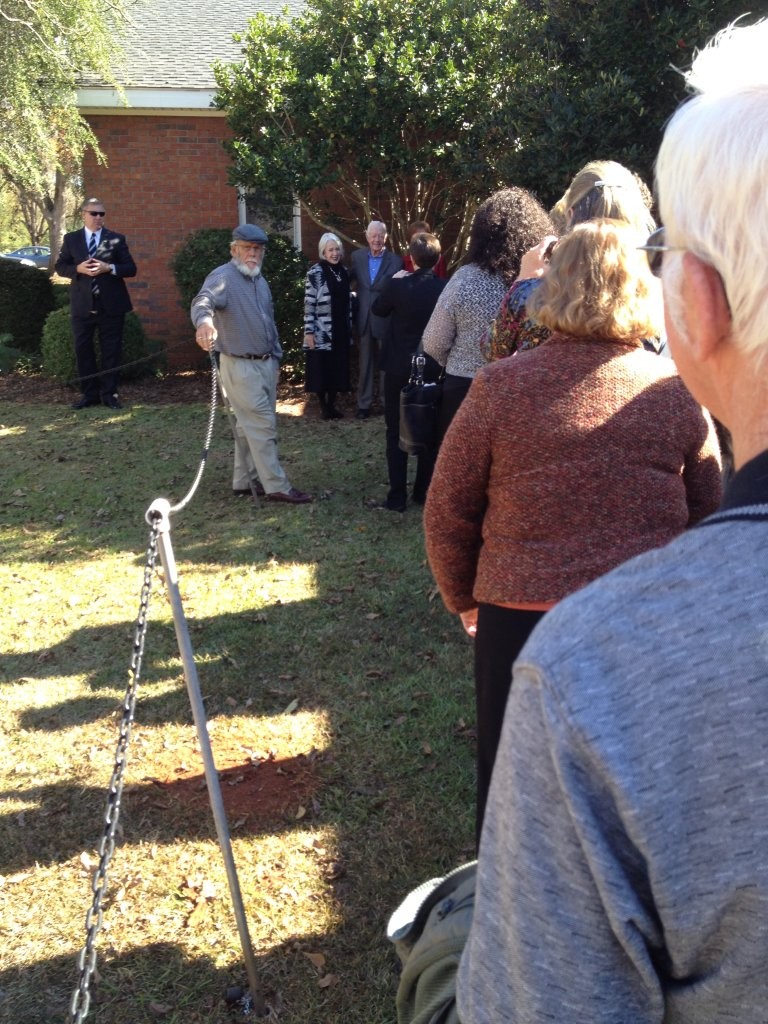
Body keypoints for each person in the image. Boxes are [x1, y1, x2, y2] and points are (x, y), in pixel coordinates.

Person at [457, 19, 768, 1022]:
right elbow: (707, 508)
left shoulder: (600, 677)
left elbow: (447, 496)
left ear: (698, 308)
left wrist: (465, 589)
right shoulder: (649, 397)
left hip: (548, 618)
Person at [424, 219, 723, 844]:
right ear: (640, 290)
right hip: (639, 621)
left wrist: (465, 598)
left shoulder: (500, 386)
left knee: (512, 786)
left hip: (518, 617)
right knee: (632, 793)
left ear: (551, 288)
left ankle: (509, 920)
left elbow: (447, 509)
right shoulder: (675, 392)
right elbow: (710, 515)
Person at [481, 160, 658, 362]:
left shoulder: (535, 293)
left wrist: (522, 281)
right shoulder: (651, 299)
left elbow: (493, 351)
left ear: (571, 214)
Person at [191, 224, 312, 504]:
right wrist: (205, 323)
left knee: (248, 428)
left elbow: (267, 322)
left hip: (266, 365)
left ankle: (244, 481)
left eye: (258, 249)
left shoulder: (259, 279)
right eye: (247, 248)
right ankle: (277, 485)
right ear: (234, 250)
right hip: (239, 366)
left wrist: (276, 357)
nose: (253, 254)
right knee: (263, 425)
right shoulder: (223, 277)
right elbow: (202, 301)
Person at [421, 188, 553, 441]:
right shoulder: (543, 283)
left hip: (463, 391)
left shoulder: (464, 279)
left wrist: (458, 360)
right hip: (523, 392)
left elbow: (433, 342)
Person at [371, 232, 446, 511]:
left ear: (411, 258)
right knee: (428, 427)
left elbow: (378, 310)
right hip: (432, 365)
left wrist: (395, 283)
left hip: (398, 366)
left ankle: (397, 496)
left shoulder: (398, 285)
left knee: (394, 429)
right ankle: (422, 492)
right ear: (437, 259)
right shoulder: (443, 287)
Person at [55, 197, 137, 410]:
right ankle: (89, 395)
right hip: (82, 306)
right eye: (94, 213)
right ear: (84, 214)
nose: (99, 217)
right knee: (83, 351)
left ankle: (110, 395)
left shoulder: (116, 239)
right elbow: (60, 266)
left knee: (111, 352)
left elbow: (130, 268)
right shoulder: (71, 239)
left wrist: (109, 267)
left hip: (110, 306)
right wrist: (78, 270)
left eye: (102, 214)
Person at [350, 220, 403, 419]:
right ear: (367, 237)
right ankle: (363, 405)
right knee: (365, 364)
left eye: (380, 235)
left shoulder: (396, 261)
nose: (377, 239)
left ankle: (387, 402)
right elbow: (350, 283)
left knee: (385, 366)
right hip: (363, 319)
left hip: (385, 319)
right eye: (373, 235)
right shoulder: (357, 257)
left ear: (386, 237)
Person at [303, 232, 352, 419]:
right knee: (321, 369)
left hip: (340, 328)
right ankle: (324, 407)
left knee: (337, 368)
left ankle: (332, 405)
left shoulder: (344, 271)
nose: (334, 253)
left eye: (337, 249)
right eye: (330, 250)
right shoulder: (315, 272)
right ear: (323, 251)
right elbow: (309, 303)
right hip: (321, 330)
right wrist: (309, 331)